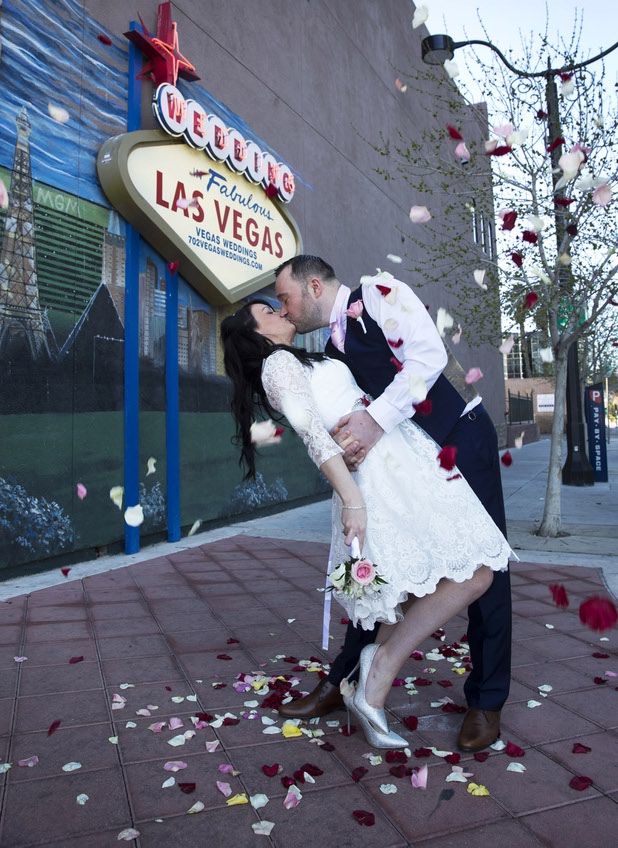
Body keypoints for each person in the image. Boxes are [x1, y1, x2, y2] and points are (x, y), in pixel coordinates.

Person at [220, 289, 513, 749]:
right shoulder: (277, 365)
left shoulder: (325, 343)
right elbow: (315, 438)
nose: (281, 309)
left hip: (403, 461)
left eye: (281, 299)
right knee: (469, 572)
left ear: (311, 285)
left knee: (436, 576)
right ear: (253, 334)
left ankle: (371, 682)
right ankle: (373, 678)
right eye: (269, 310)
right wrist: (353, 500)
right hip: (379, 481)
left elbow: (411, 366)